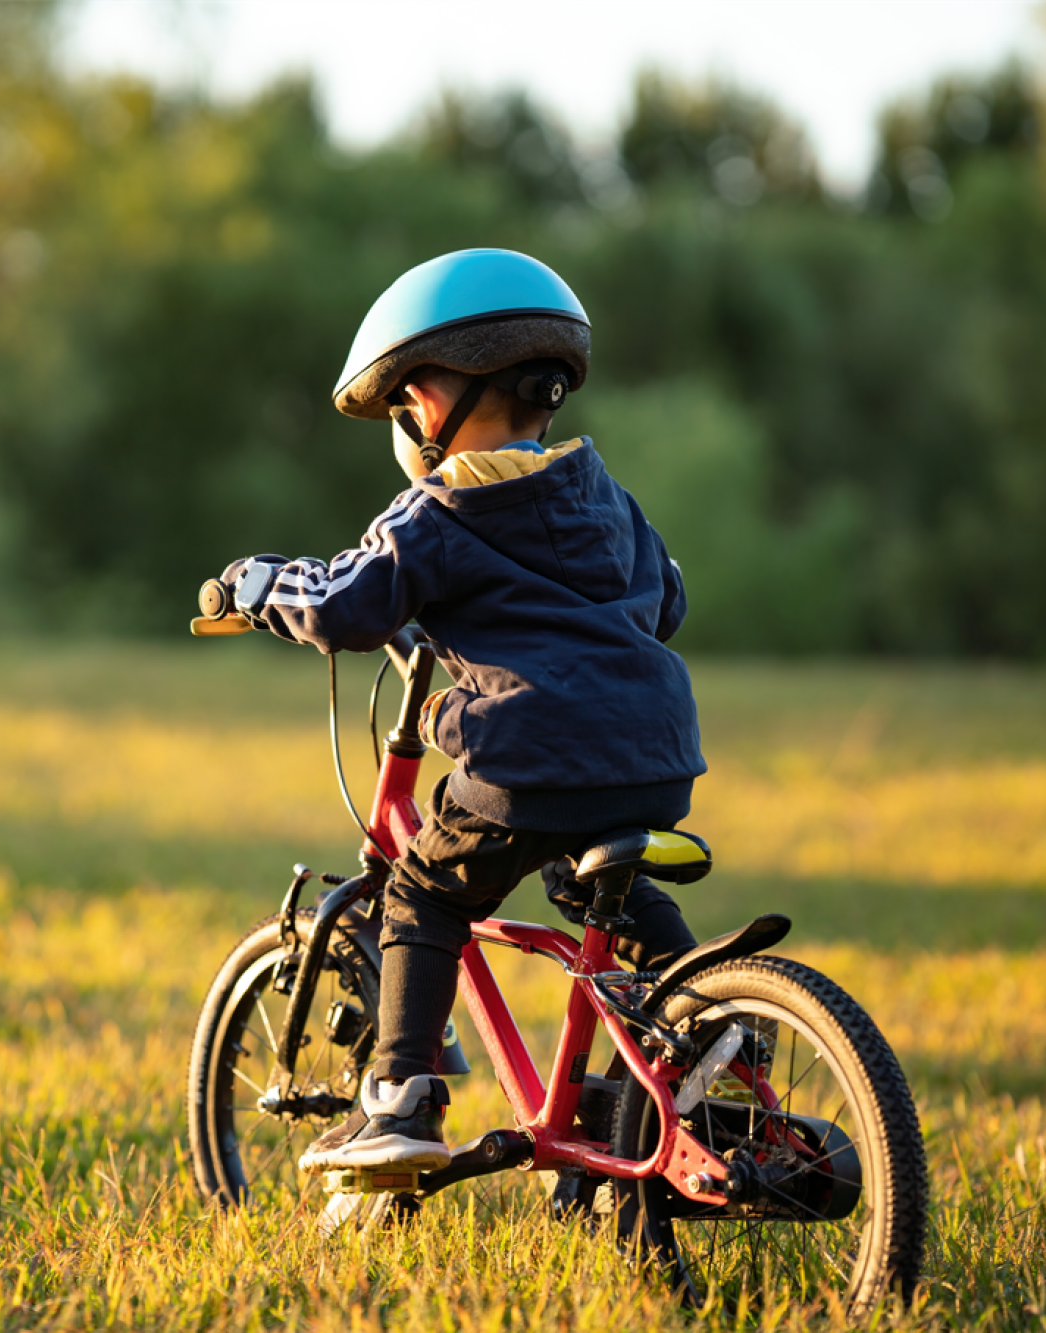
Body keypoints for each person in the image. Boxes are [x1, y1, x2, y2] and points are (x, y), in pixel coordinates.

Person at [217, 248, 705, 1176]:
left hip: (531, 754)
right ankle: (706, 1023)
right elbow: (666, 602)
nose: (406, 416)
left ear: (439, 399)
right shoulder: (608, 498)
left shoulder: (434, 513)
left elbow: (345, 606)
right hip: (654, 755)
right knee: (598, 887)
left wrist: (260, 584)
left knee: (423, 891)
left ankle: (399, 1101)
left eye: (407, 397)